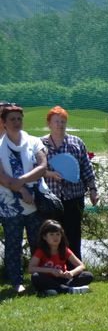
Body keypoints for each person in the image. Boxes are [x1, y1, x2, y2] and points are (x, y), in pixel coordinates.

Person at [0, 104, 48, 294]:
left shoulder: (34, 141)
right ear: (3, 123)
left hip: (35, 202)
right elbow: (2, 177)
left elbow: (42, 167)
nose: (16, 122)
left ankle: (41, 278)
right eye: (12, 119)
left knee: (38, 242)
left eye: (19, 118)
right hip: (9, 206)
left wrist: (20, 181)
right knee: (13, 243)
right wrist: (22, 191)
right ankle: (16, 281)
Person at [41, 106, 98, 258]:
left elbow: (86, 168)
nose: (60, 125)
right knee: (51, 236)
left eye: (63, 121)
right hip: (49, 199)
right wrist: (50, 173)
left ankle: (75, 270)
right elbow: (34, 170)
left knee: (73, 235)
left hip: (74, 197)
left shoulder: (76, 142)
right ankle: (52, 268)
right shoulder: (40, 144)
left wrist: (93, 190)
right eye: (56, 121)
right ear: (49, 123)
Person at [28, 218, 93, 295]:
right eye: (51, 234)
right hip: (47, 279)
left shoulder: (64, 250)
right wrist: (50, 270)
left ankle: (55, 290)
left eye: (58, 234)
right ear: (44, 237)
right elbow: (31, 269)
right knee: (36, 277)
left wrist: (71, 273)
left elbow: (81, 266)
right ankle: (67, 290)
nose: (55, 237)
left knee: (88, 275)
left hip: (63, 279)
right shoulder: (40, 251)